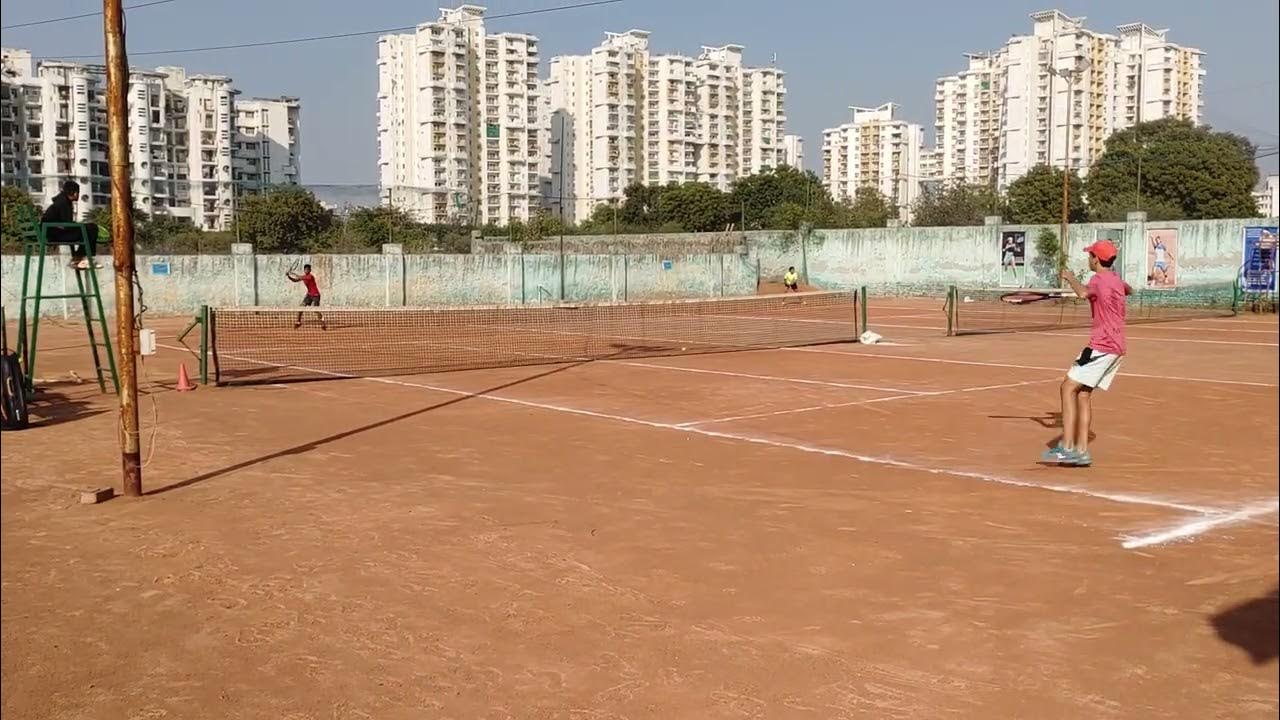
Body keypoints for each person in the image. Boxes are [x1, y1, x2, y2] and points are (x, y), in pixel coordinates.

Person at [1040, 239, 1130, 467]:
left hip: (1102, 345)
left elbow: (1082, 294)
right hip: (1117, 346)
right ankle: (1081, 451)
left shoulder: (1098, 279)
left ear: (1097, 259)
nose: (1088, 258)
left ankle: (1068, 447)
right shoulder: (1116, 281)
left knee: (1067, 386)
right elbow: (1130, 289)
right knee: (1083, 394)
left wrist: (1070, 278)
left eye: (1090, 255)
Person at [41, 180, 100, 269]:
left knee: (88, 229)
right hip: (55, 235)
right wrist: (81, 226)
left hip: (52, 232)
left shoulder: (60, 201)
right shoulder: (64, 203)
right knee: (92, 229)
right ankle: (84, 257)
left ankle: (78, 258)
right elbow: (67, 224)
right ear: (75, 193)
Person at [287, 263, 326, 330]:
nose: (306, 270)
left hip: (316, 295)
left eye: (308, 269)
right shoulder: (304, 277)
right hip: (309, 295)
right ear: (304, 270)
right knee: (301, 307)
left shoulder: (310, 276)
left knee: (315, 310)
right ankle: (298, 322)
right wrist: (289, 276)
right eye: (305, 269)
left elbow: (299, 277)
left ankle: (322, 322)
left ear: (310, 270)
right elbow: (295, 280)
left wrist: (291, 273)